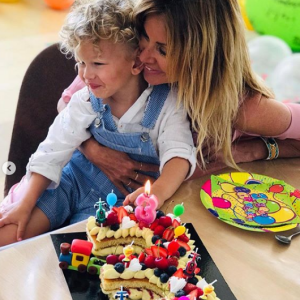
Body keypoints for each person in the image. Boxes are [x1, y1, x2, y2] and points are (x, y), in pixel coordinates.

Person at [0, 0, 196, 246]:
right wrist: (25, 204)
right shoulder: (86, 98)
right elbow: (52, 150)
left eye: (97, 64)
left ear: (136, 63)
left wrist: (155, 193)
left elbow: (179, 154)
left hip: (115, 206)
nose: (85, 74)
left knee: (79, 261)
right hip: (69, 184)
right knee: (10, 235)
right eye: (81, 63)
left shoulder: (168, 103)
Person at [57, 0, 300, 188]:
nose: (142, 57)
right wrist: (94, 151)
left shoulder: (241, 107)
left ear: (202, 55)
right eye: (144, 38)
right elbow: (65, 104)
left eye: (162, 50)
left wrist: (256, 149)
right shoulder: (127, 62)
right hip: (83, 189)